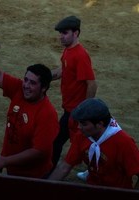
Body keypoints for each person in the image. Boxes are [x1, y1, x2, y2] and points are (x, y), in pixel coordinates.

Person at [0, 50, 59, 179]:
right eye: (25, 80)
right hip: (13, 168)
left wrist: (5, 161)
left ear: (44, 88)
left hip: (33, 176)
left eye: (32, 83)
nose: (26, 85)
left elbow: (39, 151)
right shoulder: (19, 89)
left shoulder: (47, 114)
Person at [48, 98, 139, 189]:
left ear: (99, 124)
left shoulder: (124, 143)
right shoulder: (82, 135)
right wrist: (44, 189)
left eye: (84, 124)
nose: (79, 127)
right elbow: (65, 167)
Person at [50, 15, 98, 177]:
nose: (61, 36)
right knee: (73, 142)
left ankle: (48, 173)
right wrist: (43, 76)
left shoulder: (80, 55)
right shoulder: (68, 51)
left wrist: (86, 111)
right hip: (70, 110)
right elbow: (63, 71)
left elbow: (91, 83)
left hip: (76, 112)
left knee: (80, 144)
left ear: (76, 33)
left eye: (65, 33)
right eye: (60, 33)